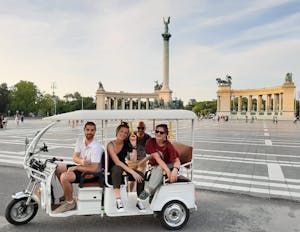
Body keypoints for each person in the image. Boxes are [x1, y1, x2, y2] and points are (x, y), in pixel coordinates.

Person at [54, 121, 103, 213]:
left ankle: (70, 203)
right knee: (57, 168)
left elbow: (94, 169)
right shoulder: (80, 140)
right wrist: (81, 161)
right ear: (84, 130)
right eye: (87, 130)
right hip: (83, 166)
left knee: (64, 177)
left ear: (95, 131)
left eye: (92, 130)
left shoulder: (96, 147)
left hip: (92, 173)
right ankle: (67, 193)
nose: (89, 132)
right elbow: (75, 157)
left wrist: (76, 168)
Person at [107, 121, 145, 212]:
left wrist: (134, 145)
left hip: (124, 167)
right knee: (117, 169)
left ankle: (140, 200)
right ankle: (118, 200)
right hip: (113, 169)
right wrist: (132, 172)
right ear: (117, 132)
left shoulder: (126, 144)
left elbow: (133, 159)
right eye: (121, 131)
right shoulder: (110, 145)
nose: (123, 134)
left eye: (125, 133)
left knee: (141, 176)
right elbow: (117, 162)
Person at [138, 124, 181, 202]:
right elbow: (155, 156)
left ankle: (148, 191)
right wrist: (144, 160)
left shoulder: (168, 145)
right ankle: (153, 196)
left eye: (161, 132)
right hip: (158, 165)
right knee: (157, 169)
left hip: (170, 164)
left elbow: (177, 161)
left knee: (160, 168)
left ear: (166, 135)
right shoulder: (151, 142)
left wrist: (175, 170)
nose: (158, 134)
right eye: (157, 131)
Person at [126, 121, 151, 192]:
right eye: (138, 128)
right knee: (131, 180)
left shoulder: (148, 138)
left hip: (142, 160)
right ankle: (130, 193)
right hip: (130, 160)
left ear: (145, 129)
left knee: (140, 178)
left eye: (142, 128)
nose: (140, 130)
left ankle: (139, 197)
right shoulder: (130, 135)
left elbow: (152, 150)